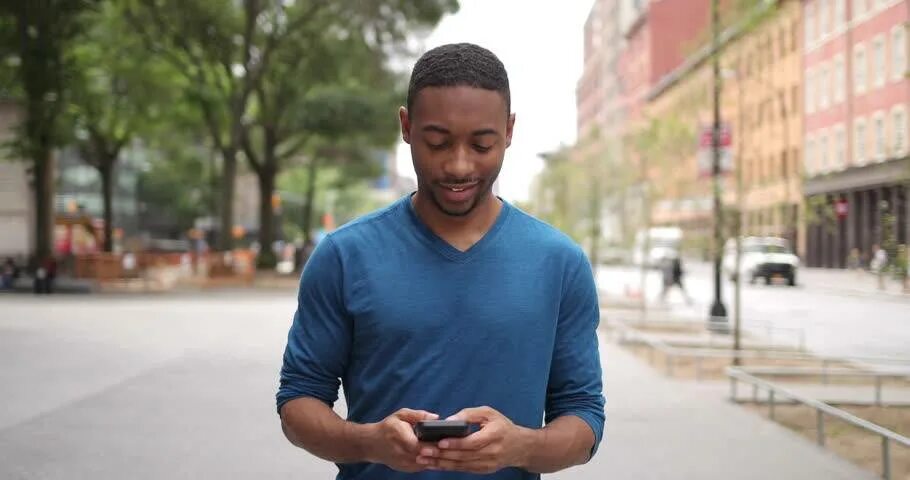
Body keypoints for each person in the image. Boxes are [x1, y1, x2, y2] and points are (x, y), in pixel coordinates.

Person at [276, 43, 605, 479]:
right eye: (437, 143)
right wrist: (370, 441)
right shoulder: (343, 256)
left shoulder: (559, 263)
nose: (458, 165)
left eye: (482, 144)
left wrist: (520, 446)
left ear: (509, 132)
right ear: (406, 127)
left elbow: (584, 417)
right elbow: (298, 402)